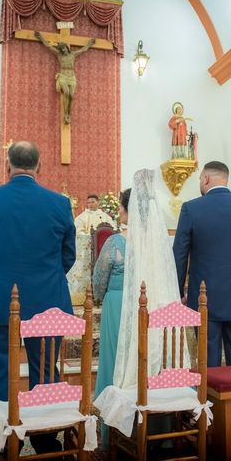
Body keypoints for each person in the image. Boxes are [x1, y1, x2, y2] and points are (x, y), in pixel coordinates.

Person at [0, 141, 75, 455]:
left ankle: (3, 441)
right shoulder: (59, 203)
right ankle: (45, 440)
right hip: (47, 302)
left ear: (8, 164)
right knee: (44, 371)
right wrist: (45, 280)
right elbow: (67, 255)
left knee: (0, 372)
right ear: (39, 166)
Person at [173, 161, 231, 367]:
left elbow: (179, 254)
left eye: (200, 178)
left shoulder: (191, 209)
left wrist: (177, 291)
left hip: (205, 296)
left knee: (208, 357)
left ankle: (210, 399)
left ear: (206, 178)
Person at [113, 169, 188, 389]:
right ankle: (166, 384)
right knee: (161, 338)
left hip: (144, 293)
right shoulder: (158, 232)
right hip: (162, 292)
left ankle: (145, 385)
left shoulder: (133, 235)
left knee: (146, 334)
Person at [92, 188, 130, 448]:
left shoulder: (115, 243)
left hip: (117, 304)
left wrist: (100, 296)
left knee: (115, 360)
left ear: (126, 210)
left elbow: (99, 278)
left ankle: (113, 428)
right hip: (146, 306)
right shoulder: (154, 244)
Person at [34, 31, 95, 125]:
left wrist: (89, 44)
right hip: (63, 75)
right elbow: (49, 46)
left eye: (64, 48)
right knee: (66, 92)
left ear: (67, 47)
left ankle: (68, 114)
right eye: (62, 49)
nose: (63, 50)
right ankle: (66, 115)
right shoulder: (59, 55)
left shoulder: (73, 54)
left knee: (71, 95)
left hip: (72, 77)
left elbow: (83, 50)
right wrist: (41, 38)